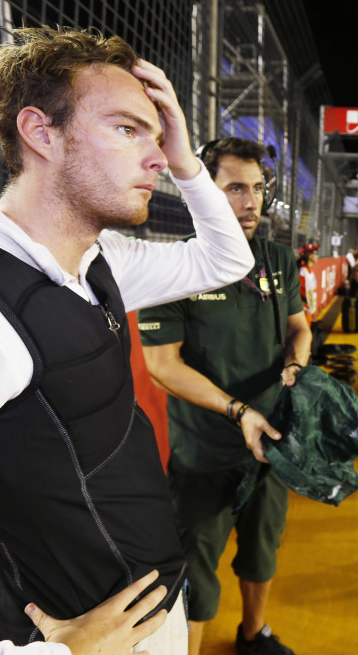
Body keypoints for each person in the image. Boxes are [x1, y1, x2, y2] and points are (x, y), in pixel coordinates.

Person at [0, 27, 256, 654]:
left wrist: (185, 159)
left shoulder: (96, 258)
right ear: (41, 132)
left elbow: (223, 261)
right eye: (128, 130)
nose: (156, 158)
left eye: (157, 139)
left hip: (154, 609)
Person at [138, 137, 310, 655]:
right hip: (204, 454)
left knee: (262, 551)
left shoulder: (278, 260)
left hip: (270, 448)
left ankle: (253, 635)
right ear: (203, 195)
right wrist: (237, 411)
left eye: (257, 188)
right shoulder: (173, 269)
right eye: (234, 188)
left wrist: (296, 365)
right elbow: (162, 366)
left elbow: (300, 329)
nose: (251, 201)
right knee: (194, 570)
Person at [298, 243, 319, 326]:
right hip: (303, 308)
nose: (317, 256)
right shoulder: (303, 271)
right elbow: (301, 292)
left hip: (308, 307)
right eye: (315, 254)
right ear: (309, 256)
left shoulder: (309, 270)